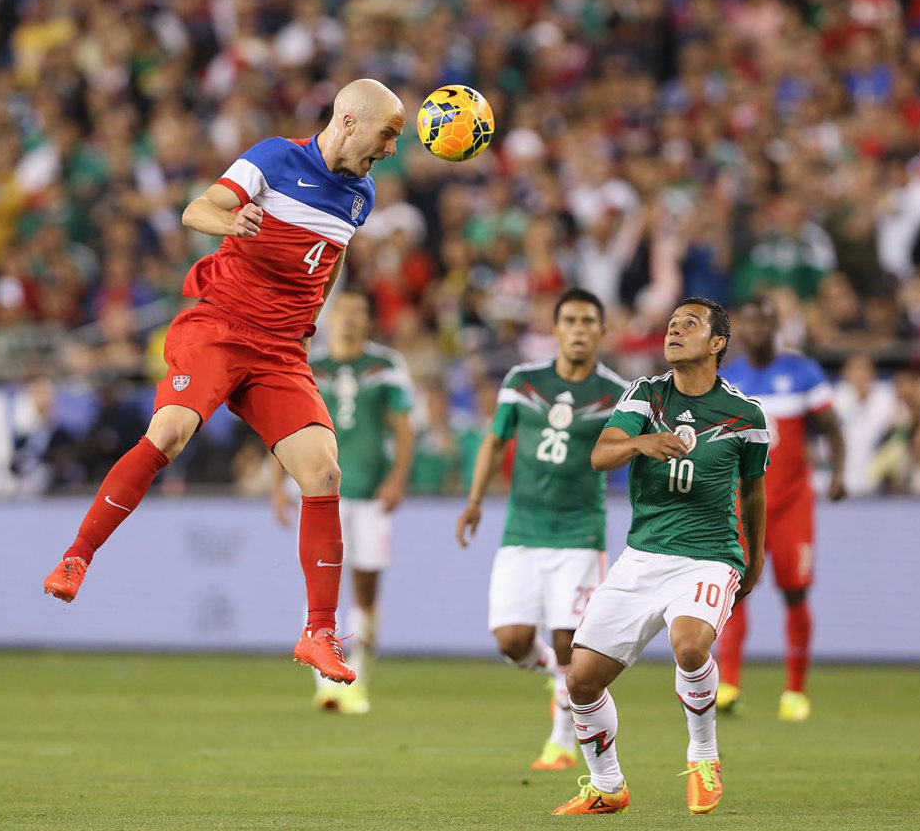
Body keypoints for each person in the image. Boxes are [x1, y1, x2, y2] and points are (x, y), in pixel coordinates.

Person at [42, 79, 406, 685]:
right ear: (348, 121)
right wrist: (231, 221)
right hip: (220, 325)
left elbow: (333, 256)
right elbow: (197, 208)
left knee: (323, 472)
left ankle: (319, 632)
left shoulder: (362, 194)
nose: (392, 149)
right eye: (388, 134)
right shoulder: (273, 156)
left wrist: (313, 317)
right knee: (172, 433)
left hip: (281, 350)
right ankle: (77, 557)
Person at [552, 296, 767, 816]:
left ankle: (704, 756)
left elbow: (754, 493)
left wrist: (754, 562)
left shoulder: (747, 415)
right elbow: (601, 453)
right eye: (671, 324)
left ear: (717, 343)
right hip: (643, 556)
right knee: (580, 678)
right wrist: (641, 443)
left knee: (690, 644)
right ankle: (607, 786)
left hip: (710, 556)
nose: (673, 331)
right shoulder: (646, 395)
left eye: (688, 324)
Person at [456, 288, 628, 772]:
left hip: (579, 533)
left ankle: (560, 742)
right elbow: (495, 441)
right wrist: (474, 501)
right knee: (511, 641)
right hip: (521, 531)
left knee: (568, 642)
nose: (578, 329)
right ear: (554, 330)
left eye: (588, 321)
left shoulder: (617, 394)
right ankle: (555, 677)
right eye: (569, 320)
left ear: (601, 331)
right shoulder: (522, 381)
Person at [272, 287, 415, 714]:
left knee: (366, 591)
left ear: (368, 321)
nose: (349, 319)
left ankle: (358, 678)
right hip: (320, 496)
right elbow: (285, 423)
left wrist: (397, 478)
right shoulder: (311, 366)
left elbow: (404, 428)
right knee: (319, 583)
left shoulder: (386, 366)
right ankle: (327, 685)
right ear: (331, 318)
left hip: (371, 493)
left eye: (358, 312)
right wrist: (277, 484)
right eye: (344, 311)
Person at [717, 294, 846, 721]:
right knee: (734, 592)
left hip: (792, 503)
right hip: (743, 503)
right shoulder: (728, 378)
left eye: (763, 322)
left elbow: (831, 427)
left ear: (776, 326)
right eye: (748, 323)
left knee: (794, 592)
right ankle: (729, 684)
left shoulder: (803, 372)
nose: (755, 330)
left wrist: (840, 473)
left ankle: (795, 690)